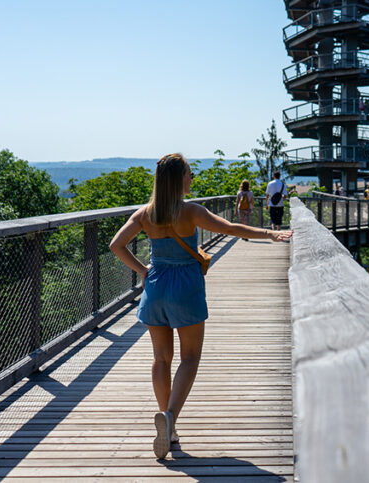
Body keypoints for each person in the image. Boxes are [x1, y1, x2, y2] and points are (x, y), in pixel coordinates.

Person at [109, 154, 292, 459]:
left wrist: (143, 271)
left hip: (156, 286)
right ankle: (170, 419)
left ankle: (167, 423)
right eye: (190, 174)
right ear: (180, 179)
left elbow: (116, 245)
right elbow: (232, 228)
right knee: (190, 357)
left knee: (160, 359)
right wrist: (270, 233)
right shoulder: (191, 211)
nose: (192, 179)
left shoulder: (146, 214)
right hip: (186, 287)